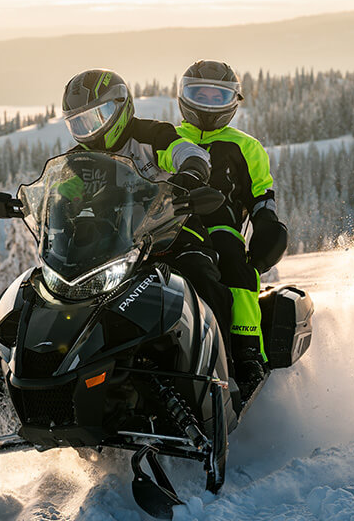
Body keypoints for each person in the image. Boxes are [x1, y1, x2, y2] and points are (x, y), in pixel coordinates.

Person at [61, 68, 234, 361]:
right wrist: (39, 208)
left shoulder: (151, 135)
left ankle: (224, 368)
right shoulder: (79, 161)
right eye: (80, 122)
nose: (89, 129)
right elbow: (63, 195)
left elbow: (186, 152)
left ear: (120, 107)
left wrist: (191, 172)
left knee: (201, 277)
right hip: (112, 250)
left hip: (173, 236)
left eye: (96, 117)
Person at [175, 60, 288, 399]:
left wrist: (267, 225)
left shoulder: (245, 146)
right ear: (184, 96)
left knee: (236, 265)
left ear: (232, 100)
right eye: (200, 94)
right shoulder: (169, 141)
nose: (208, 102)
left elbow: (260, 194)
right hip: (165, 228)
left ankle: (246, 351)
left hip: (219, 228)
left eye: (217, 95)